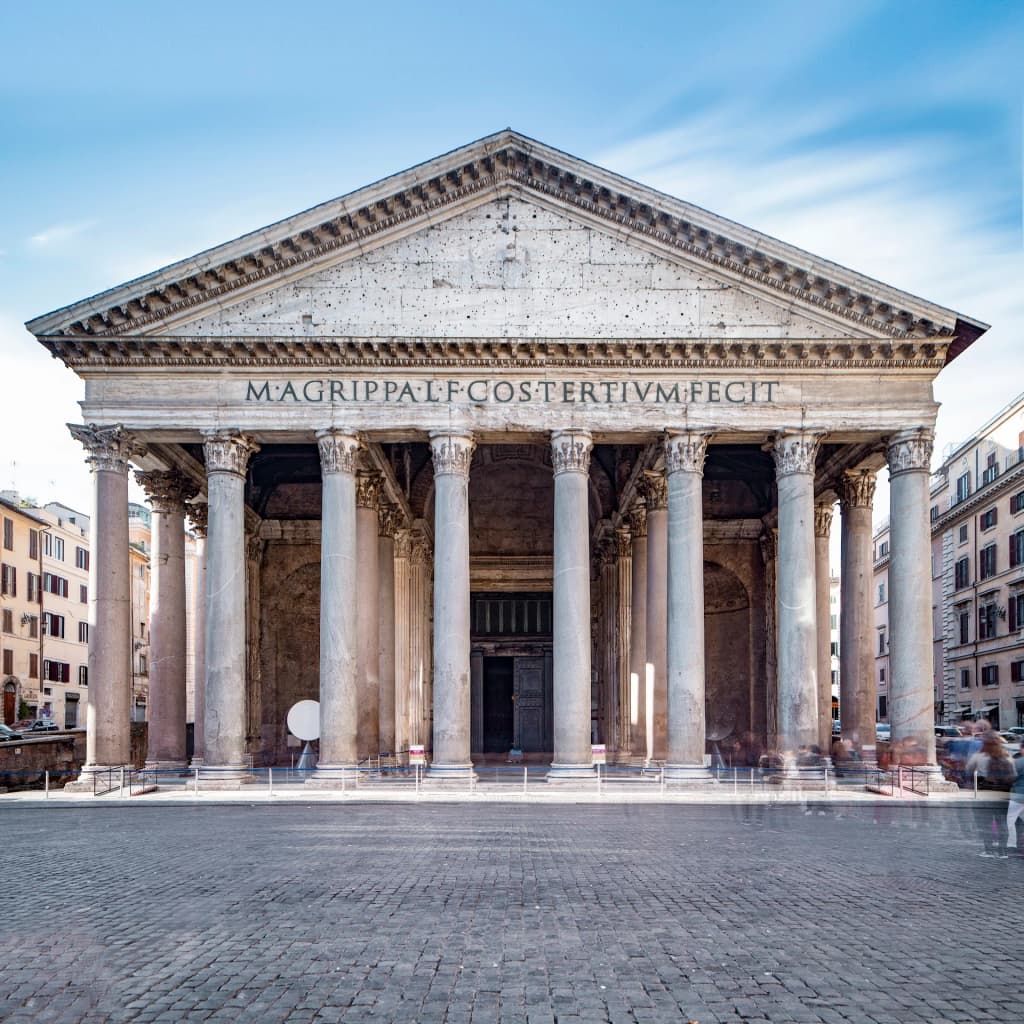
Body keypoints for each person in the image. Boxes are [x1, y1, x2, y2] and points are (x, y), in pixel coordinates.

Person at [1006, 746, 1024, 857]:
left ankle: (1011, 843)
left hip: (1018, 795)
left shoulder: (1018, 762)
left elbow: (1010, 777)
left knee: (1010, 820)